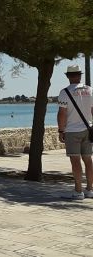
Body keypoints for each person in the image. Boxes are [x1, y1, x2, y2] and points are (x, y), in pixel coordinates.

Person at [57, 64, 93, 200]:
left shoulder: (64, 92)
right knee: (88, 160)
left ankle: (78, 191)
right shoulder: (90, 90)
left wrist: (61, 130)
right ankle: (90, 189)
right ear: (79, 75)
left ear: (68, 77)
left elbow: (62, 114)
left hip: (72, 131)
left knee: (75, 160)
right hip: (88, 130)